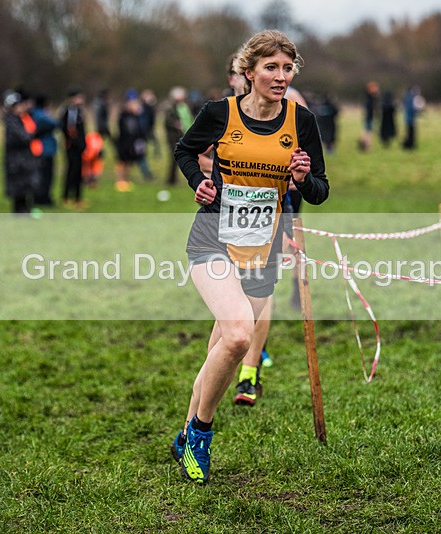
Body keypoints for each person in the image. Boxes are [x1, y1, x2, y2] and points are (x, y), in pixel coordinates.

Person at [170, 29, 329, 484]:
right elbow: (185, 150)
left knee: (218, 346)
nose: (281, 76)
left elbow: (320, 191)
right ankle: (201, 432)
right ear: (249, 72)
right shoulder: (219, 114)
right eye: (271, 68)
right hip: (212, 240)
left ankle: (183, 434)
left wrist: (302, 179)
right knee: (239, 337)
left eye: (287, 68)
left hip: (264, 250)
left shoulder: (302, 122)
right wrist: (196, 182)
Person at [3, 92, 42, 214]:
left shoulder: (21, 119)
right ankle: (20, 211)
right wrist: (37, 133)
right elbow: (24, 137)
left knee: (26, 186)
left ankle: (26, 209)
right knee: (18, 188)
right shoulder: (11, 121)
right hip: (16, 161)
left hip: (24, 159)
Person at [114, 89, 153, 191]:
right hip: (123, 143)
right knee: (122, 162)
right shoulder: (124, 115)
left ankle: (125, 181)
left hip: (132, 143)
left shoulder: (136, 116)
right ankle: (120, 180)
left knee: (128, 162)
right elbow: (124, 129)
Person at [60, 87, 87, 209]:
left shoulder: (80, 111)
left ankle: (77, 198)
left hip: (79, 147)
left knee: (78, 173)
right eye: (79, 97)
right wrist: (77, 143)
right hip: (72, 148)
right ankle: (66, 197)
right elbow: (70, 129)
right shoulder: (70, 111)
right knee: (71, 172)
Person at [31, 94, 59, 206]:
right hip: (44, 150)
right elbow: (55, 123)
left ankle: (41, 197)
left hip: (40, 149)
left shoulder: (33, 114)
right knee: (45, 175)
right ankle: (43, 198)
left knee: (41, 175)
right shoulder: (40, 115)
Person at [164, 86, 193, 186]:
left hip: (184, 136)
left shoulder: (186, 107)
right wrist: (175, 124)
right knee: (174, 159)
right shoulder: (170, 108)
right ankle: (171, 180)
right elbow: (167, 122)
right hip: (173, 138)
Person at [358, 81, 379, 151]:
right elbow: (370, 108)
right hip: (369, 117)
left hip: (369, 116)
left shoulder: (370, 97)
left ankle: (365, 144)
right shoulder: (370, 98)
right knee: (368, 131)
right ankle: (366, 145)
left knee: (368, 131)